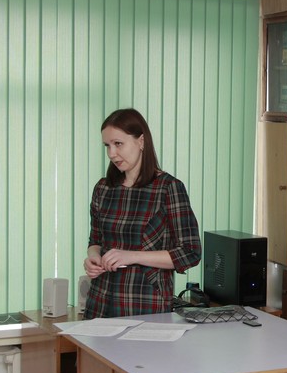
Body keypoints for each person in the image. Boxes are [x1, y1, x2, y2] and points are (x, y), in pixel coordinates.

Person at [83, 108, 201, 318]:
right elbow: (96, 240)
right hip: (100, 301)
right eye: (107, 146)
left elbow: (190, 253)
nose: (111, 153)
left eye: (118, 144)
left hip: (145, 304)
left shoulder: (168, 188)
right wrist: (93, 258)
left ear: (141, 141)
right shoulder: (103, 188)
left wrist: (132, 256)